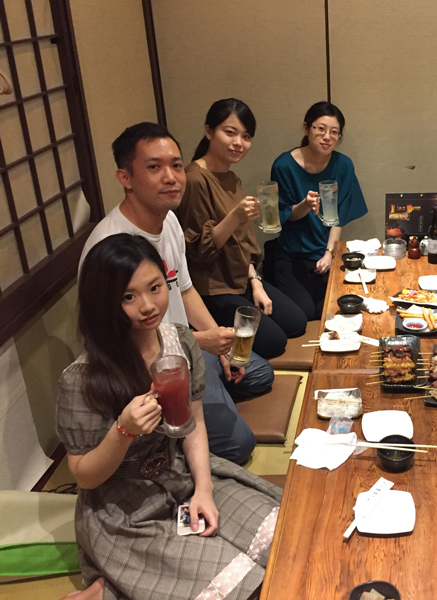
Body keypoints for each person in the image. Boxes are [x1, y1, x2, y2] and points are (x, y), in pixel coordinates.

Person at [58, 234, 281, 600]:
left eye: (155, 287)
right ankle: (111, 581)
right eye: (128, 297)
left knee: (283, 540)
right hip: (126, 510)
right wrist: (123, 431)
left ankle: (115, 586)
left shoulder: (179, 341)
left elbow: (195, 425)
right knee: (245, 588)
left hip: (184, 474)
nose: (148, 306)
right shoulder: (82, 378)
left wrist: (204, 490)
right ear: (104, 302)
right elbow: (84, 475)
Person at [80, 122, 267, 465]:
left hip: (185, 348)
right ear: (125, 177)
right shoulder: (109, 248)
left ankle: (208, 388)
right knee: (239, 445)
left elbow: (185, 289)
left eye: (177, 165)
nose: (171, 177)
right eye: (154, 167)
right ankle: (174, 433)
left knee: (257, 373)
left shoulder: (167, 220)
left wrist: (218, 343)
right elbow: (115, 340)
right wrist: (200, 342)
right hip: (145, 371)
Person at [177, 98, 307, 359]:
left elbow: (242, 242)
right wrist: (235, 217)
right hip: (214, 289)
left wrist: (255, 282)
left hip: (241, 279)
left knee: (297, 322)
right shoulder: (194, 180)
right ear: (209, 131)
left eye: (246, 136)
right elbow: (198, 251)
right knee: (275, 343)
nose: (239, 142)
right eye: (230, 132)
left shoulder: (232, 177)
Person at [269, 101, 368, 320]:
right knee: (303, 314)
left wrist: (329, 253)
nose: (327, 137)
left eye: (334, 132)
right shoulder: (283, 165)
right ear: (307, 129)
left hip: (325, 254)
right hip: (292, 255)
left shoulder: (344, 165)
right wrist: (305, 205)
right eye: (320, 129)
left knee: (337, 307)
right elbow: (285, 215)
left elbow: (339, 217)